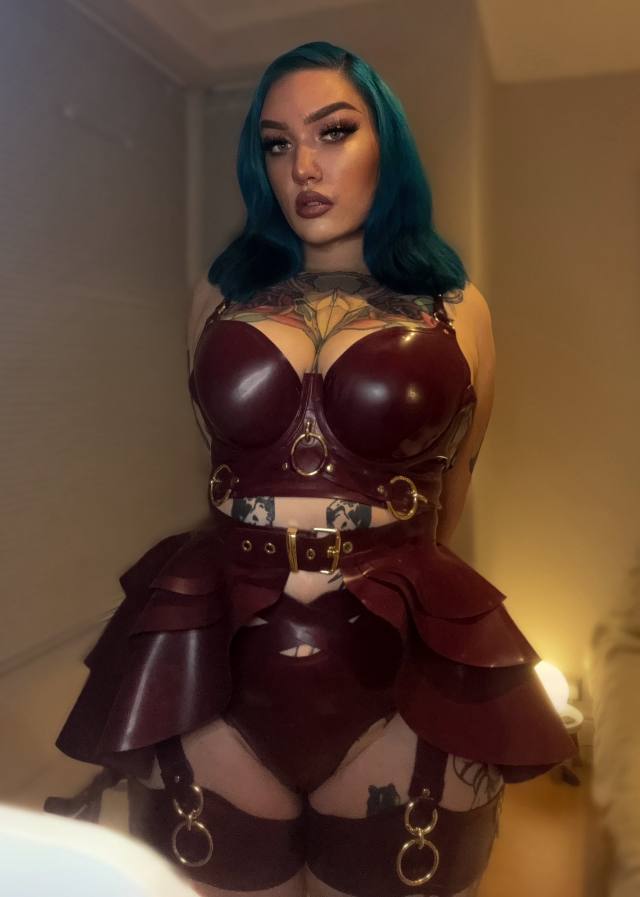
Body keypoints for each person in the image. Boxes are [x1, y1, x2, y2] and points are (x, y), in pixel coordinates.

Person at [48, 41, 576, 897]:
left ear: (385, 144)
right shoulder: (217, 295)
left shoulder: (458, 308)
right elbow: (218, 461)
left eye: (333, 132)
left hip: (399, 671)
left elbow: (453, 488)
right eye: (277, 143)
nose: (303, 167)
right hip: (220, 658)